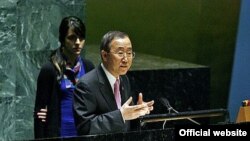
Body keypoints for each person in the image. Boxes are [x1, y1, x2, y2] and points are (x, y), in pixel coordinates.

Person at [73, 31, 154, 135]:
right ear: (105, 55)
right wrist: (121, 116)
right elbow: (85, 127)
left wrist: (136, 112)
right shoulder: (86, 85)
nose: (125, 59)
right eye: (120, 53)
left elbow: (125, 123)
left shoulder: (124, 80)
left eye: (129, 53)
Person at [33, 16, 95, 139]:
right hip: (59, 134)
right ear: (62, 39)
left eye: (81, 38)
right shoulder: (49, 70)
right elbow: (40, 115)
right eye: (72, 38)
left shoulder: (88, 67)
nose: (77, 42)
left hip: (84, 134)